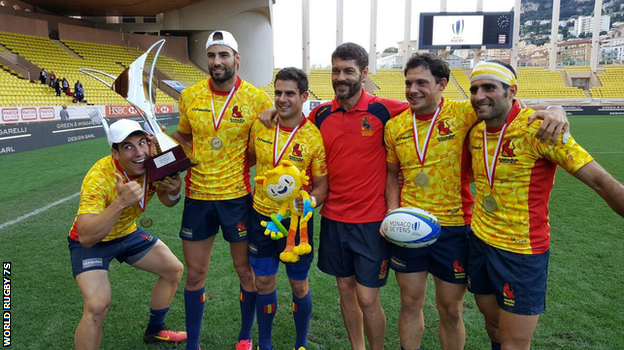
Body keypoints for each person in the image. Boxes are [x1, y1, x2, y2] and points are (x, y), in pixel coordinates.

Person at [384, 54, 569, 350]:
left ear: (442, 84)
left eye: (421, 82)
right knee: (408, 302)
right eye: (408, 83)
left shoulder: (464, 113)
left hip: (455, 228)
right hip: (408, 225)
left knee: (449, 309)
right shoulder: (394, 126)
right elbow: (392, 175)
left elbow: (509, 108)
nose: (412, 89)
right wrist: (392, 212)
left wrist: (554, 108)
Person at [467, 60, 624, 350]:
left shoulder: (539, 130)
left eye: (489, 87)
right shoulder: (476, 131)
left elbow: (601, 181)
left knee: (514, 342)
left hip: (521, 252)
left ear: (511, 90)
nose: (479, 96)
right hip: (479, 242)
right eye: (474, 89)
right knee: (492, 325)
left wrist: (555, 109)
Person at [171, 30, 273, 350]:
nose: (217, 62)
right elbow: (184, 137)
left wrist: (238, 162)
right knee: (195, 274)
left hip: (238, 199)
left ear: (237, 59)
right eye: (212, 55)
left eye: (224, 55)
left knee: (245, 271)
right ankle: (193, 344)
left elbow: (263, 147)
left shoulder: (257, 100)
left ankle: (245, 337)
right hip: (197, 197)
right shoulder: (190, 96)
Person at [67, 118, 187, 350]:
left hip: (128, 234)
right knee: (97, 306)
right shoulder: (100, 176)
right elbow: (86, 236)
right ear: (115, 153)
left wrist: (174, 192)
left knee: (173, 270)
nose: (139, 152)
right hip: (94, 243)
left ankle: (155, 330)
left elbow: (168, 200)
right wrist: (120, 202)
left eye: (142, 142)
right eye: (128, 147)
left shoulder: (153, 163)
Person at [248, 67, 328, 350]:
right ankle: (266, 344)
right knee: (264, 283)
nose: (282, 99)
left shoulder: (313, 138)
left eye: (290, 93)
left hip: (296, 225)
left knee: (298, 286)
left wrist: (310, 201)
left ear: (304, 96)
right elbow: (246, 160)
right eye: (278, 92)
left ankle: (300, 343)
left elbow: (321, 186)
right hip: (261, 218)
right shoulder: (260, 126)